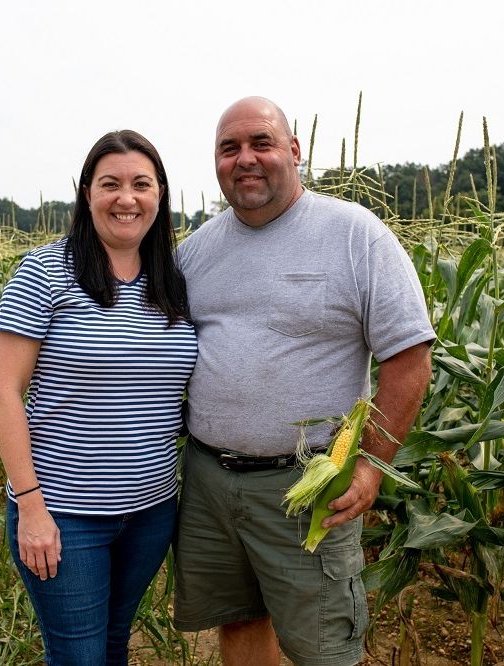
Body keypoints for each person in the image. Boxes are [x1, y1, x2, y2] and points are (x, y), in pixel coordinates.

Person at [173, 97, 435, 666]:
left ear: (295, 151)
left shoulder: (354, 236)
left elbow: (410, 359)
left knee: (324, 648)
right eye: (229, 148)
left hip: (308, 487)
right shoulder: (194, 253)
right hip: (208, 480)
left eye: (261, 143)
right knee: (238, 617)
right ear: (216, 162)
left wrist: (370, 465)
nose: (246, 158)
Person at [0, 129, 197, 666]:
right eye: (110, 184)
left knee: (112, 642)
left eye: (141, 185)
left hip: (150, 511)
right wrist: (31, 507)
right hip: (63, 514)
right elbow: (4, 394)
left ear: (160, 196)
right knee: (78, 655)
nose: (126, 198)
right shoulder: (44, 272)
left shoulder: (173, 283)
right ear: (86, 194)